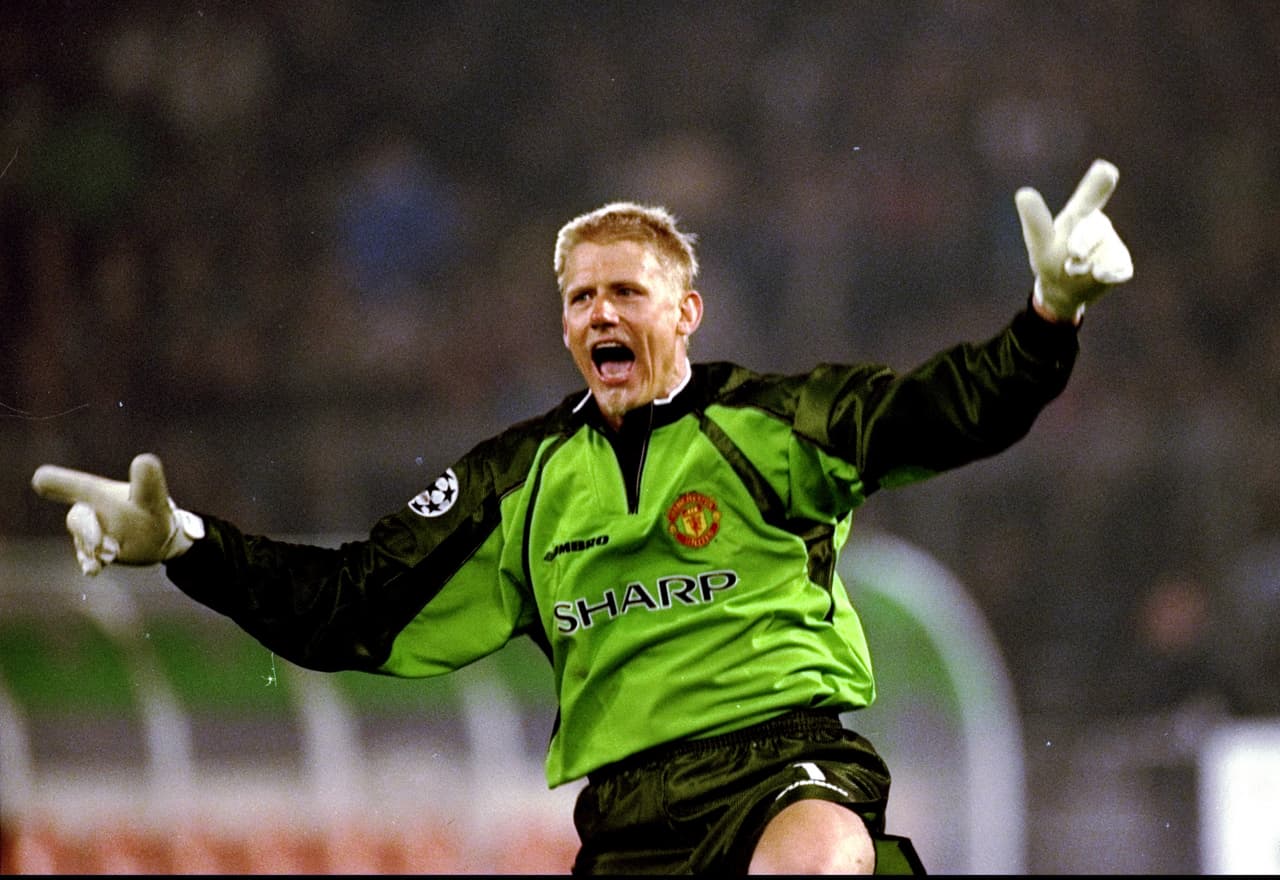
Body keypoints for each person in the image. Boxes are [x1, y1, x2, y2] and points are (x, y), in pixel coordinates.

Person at [31, 158, 1132, 875]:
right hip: (625, 817)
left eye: (626, 291)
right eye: (578, 297)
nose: (599, 311)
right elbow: (346, 607)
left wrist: (1047, 317)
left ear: (684, 312)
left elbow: (951, 410)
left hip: (779, 764)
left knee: (815, 862)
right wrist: (181, 545)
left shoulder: (774, 423)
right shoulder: (516, 482)